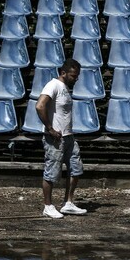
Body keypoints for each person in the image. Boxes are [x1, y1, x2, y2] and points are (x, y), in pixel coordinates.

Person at [35, 58, 87, 219]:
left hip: (68, 136)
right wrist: (50, 128)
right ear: (63, 73)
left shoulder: (64, 87)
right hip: (55, 138)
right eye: (73, 76)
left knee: (76, 168)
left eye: (77, 76)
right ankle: (48, 206)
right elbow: (40, 105)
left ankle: (68, 203)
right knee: (52, 172)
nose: (76, 79)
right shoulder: (53, 85)